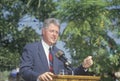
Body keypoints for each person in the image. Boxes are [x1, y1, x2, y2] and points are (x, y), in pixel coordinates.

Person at [19, 18, 93, 81]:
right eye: (51, 31)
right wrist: (39, 77)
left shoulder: (59, 53)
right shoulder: (31, 48)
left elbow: (71, 73)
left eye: (57, 32)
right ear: (43, 31)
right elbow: (24, 71)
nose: (54, 35)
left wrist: (83, 67)